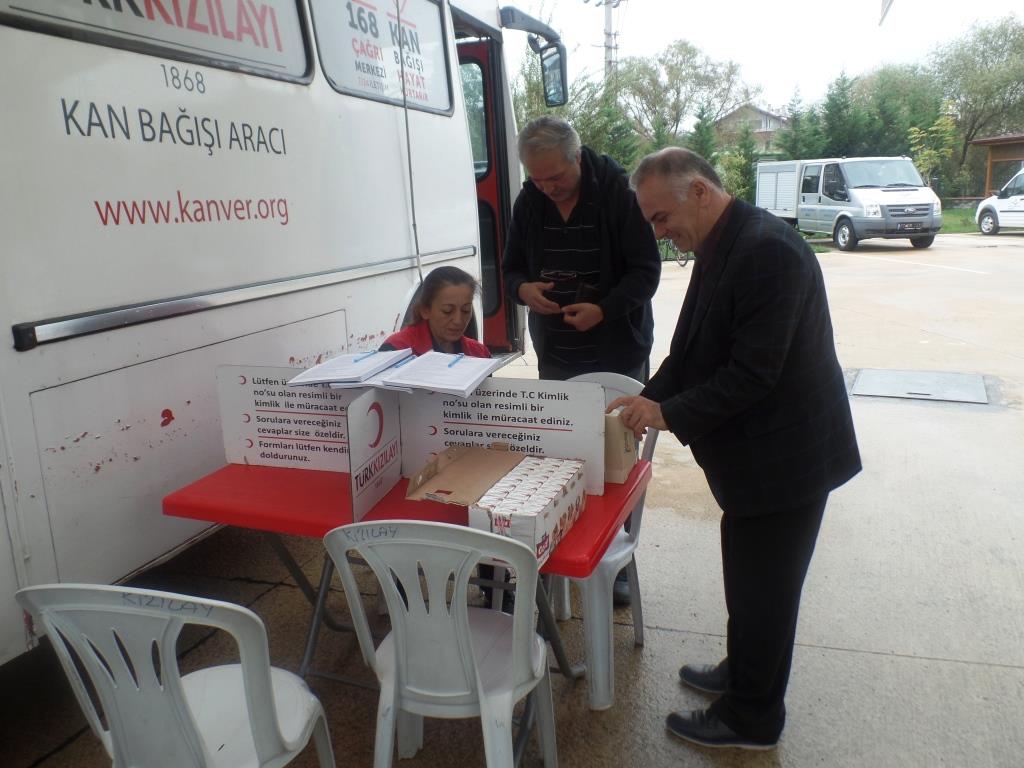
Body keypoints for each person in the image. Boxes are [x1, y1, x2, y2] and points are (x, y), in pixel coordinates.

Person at [610, 147, 861, 750]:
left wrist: (666, 413)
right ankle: (743, 671)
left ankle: (752, 718)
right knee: (748, 578)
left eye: (661, 217)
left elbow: (753, 374)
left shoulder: (767, 251)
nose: (658, 232)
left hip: (787, 460)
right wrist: (645, 396)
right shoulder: (724, 243)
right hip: (758, 461)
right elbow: (693, 347)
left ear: (699, 190)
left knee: (767, 590)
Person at [502, 115, 661, 383]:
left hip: (618, 358)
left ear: (576, 157)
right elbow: (510, 269)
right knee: (561, 426)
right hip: (554, 358)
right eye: (538, 180)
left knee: (616, 426)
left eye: (555, 178)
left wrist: (603, 311)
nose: (548, 189)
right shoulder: (529, 200)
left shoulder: (620, 194)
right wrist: (522, 290)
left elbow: (646, 272)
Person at [379, 266, 490, 357]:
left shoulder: (480, 354)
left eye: (465, 310)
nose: (458, 320)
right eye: (447, 311)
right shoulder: (395, 351)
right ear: (425, 310)